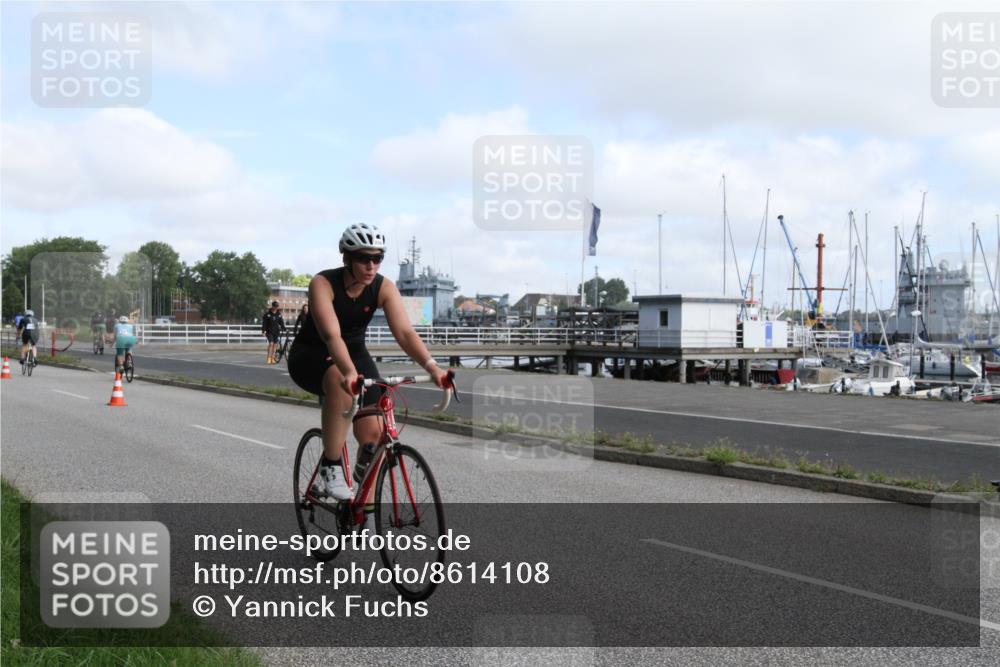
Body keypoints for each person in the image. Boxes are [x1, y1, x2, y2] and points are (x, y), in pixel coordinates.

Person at [288, 223, 450, 515]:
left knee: (374, 433)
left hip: (355, 353)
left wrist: (432, 366)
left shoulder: (383, 286)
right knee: (340, 380)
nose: (371, 265)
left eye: (378, 258)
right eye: (364, 258)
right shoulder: (322, 284)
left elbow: (404, 332)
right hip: (312, 354)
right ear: (346, 258)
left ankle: (361, 503)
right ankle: (330, 466)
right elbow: (331, 336)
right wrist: (349, 372)